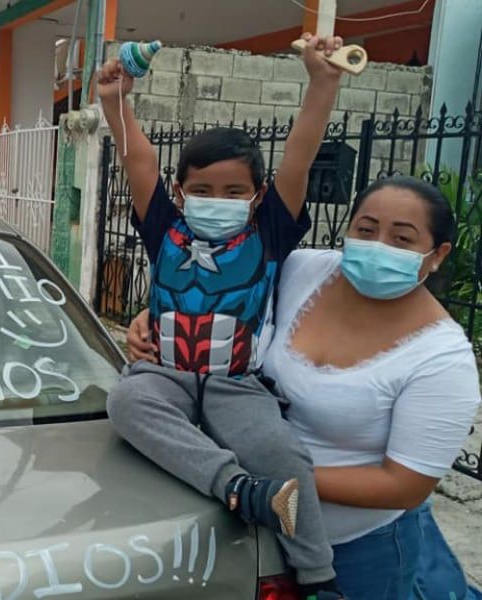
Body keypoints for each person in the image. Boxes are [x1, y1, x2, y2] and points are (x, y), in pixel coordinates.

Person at [125, 176, 481, 599]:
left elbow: (405, 485)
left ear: (437, 255)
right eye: (366, 230)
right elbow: (227, 298)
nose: (379, 245)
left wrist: (277, 480)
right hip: (250, 530)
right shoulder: (305, 271)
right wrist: (155, 317)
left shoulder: (441, 359)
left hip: (358, 551)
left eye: (402, 238)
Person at [99, 33, 345, 599]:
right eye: (202, 188)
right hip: (165, 375)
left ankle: (319, 577)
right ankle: (238, 490)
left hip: (238, 384)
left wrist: (322, 85)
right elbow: (139, 158)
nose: (219, 197)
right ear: (180, 194)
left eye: (234, 189)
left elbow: (301, 153)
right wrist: (116, 101)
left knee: (283, 454)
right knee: (126, 401)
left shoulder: (271, 231)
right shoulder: (164, 227)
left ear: (258, 194)